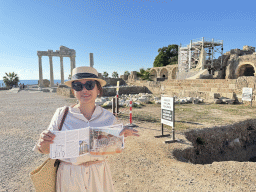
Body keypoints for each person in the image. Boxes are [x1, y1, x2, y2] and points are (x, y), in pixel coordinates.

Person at [33, 66, 139, 192]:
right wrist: (43, 142)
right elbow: (45, 150)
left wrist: (121, 137)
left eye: (89, 85)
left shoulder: (109, 117)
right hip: (69, 176)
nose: (84, 90)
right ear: (73, 91)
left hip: (99, 175)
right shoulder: (61, 114)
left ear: (98, 89)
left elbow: (112, 147)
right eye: (78, 86)